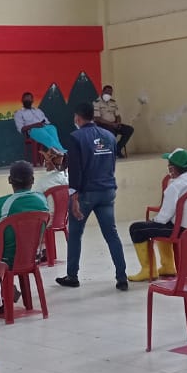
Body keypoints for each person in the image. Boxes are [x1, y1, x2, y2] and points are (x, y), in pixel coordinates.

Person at [56, 102, 127, 291]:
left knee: (75, 234)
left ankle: (72, 276)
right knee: (112, 235)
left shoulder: (76, 137)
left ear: (78, 118)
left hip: (86, 193)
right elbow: (112, 163)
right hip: (107, 191)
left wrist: (74, 197)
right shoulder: (109, 136)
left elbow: (75, 170)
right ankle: (122, 277)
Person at [127, 148, 187, 282]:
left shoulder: (174, 186)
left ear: (173, 169)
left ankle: (148, 270)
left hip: (180, 230)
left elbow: (163, 217)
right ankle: (167, 267)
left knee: (136, 228)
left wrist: (153, 221)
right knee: (161, 226)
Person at [0, 161, 49, 266]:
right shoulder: (42, 200)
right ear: (32, 180)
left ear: (9, 180)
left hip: (5, 260)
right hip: (33, 257)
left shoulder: (0, 204)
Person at [94, 84, 134, 158]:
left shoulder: (113, 102)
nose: (108, 94)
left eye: (110, 93)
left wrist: (118, 123)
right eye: (107, 92)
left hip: (114, 124)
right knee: (111, 132)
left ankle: (118, 149)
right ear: (102, 92)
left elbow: (118, 116)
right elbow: (97, 118)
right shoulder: (96, 102)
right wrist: (111, 124)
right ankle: (110, 152)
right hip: (102, 125)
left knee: (129, 129)